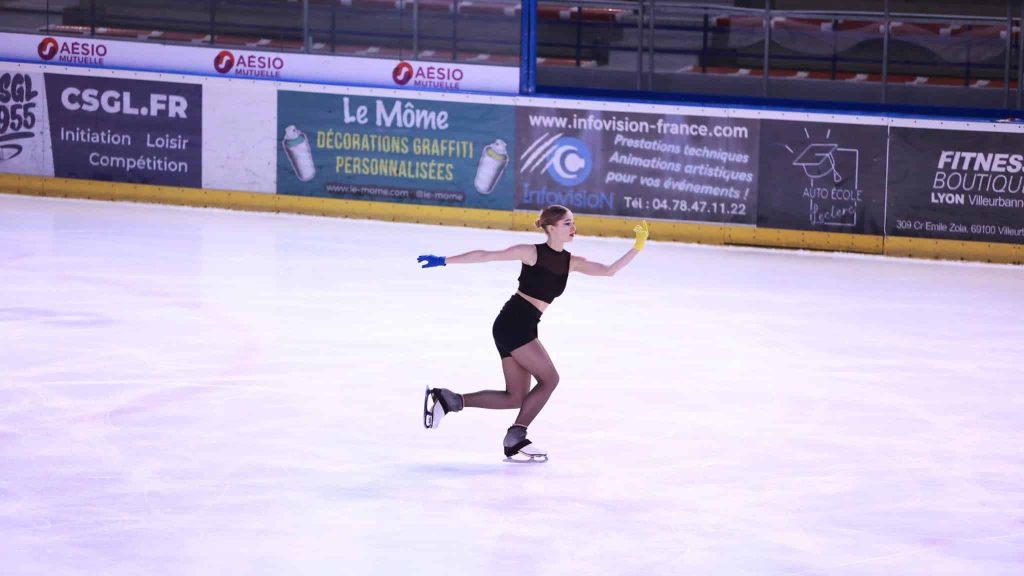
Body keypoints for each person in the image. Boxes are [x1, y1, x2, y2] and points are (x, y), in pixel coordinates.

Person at [417, 205, 649, 461]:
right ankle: (516, 436)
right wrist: (444, 260)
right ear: (551, 228)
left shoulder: (571, 262)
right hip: (513, 322)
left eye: (573, 222)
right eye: (567, 223)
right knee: (550, 379)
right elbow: (487, 255)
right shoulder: (531, 253)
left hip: (522, 324)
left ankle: (450, 400)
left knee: (515, 397)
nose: (573, 228)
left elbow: (608, 270)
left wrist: (637, 247)